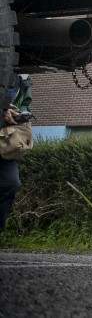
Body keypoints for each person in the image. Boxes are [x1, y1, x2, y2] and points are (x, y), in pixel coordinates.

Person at [1, 76, 32, 231]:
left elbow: (26, 104)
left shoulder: (23, 79)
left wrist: (20, 114)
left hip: (6, 142)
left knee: (11, 183)